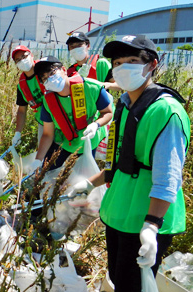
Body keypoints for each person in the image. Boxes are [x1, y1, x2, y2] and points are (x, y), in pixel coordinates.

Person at [68, 35, 191, 291]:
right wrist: (90, 185)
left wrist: (151, 225)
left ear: (152, 64)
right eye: (118, 62)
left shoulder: (165, 111)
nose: (123, 67)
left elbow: (168, 176)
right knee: (119, 278)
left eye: (133, 60)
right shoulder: (124, 105)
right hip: (119, 214)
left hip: (144, 220)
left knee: (131, 285)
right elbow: (118, 161)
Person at [28, 56, 113, 172]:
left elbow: (107, 112)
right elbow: (48, 134)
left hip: (89, 141)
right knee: (47, 172)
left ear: (63, 69)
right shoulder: (48, 102)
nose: (50, 79)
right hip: (65, 141)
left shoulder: (91, 87)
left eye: (52, 72)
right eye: (44, 78)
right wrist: (38, 160)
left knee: (82, 178)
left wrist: (96, 125)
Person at [11, 45, 44, 147]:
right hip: (44, 123)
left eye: (24, 56)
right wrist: (17, 133)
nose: (22, 60)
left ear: (31, 55)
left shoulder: (45, 70)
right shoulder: (22, 86)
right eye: (18, 60)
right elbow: (22, 111)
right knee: (44, 157)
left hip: (61, 116)